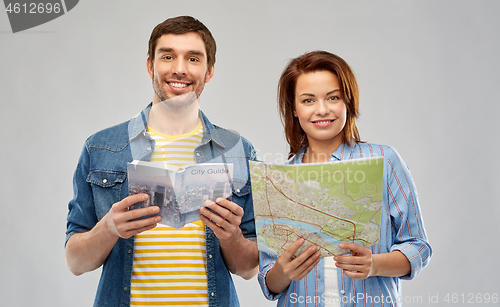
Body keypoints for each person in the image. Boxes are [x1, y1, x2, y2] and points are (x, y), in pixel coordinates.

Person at [65, 16, 259, 307]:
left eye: (193, 58)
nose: (179, 69)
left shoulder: (239, 152)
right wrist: (109, 228)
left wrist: (230, 236)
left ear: (209, 71)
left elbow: (248, 269)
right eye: (168, 56)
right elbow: (75, 262)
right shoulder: (101, 147)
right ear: (150, 66)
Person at [258, 51, 432, 307]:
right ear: (294, 109)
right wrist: (283, 272)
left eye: (333, 98)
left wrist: (375, 264)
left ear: (347, 102)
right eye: (308, 100)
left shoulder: (385, 161)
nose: (322, 109)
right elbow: (269, 281)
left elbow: (419, 246)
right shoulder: (278, 181)